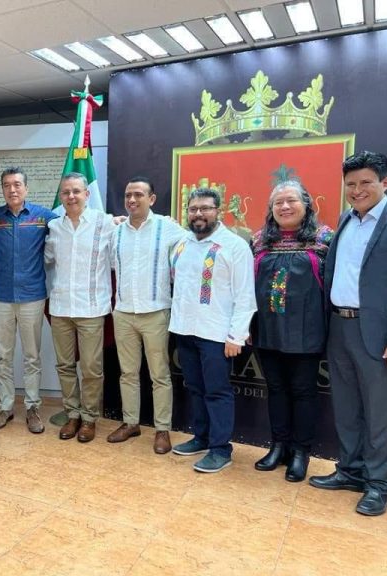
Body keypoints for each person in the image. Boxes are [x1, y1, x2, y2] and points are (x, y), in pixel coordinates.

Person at [309, 151, 387, 516]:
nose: (357, 190)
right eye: (350, 184)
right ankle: (350, 471)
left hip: (379, 334)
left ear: (385, 183)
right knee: (347, 408)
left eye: (366, 182)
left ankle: (378, 484)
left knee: (380, 414)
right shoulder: (346, 219)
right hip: (340, 327)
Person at [251, 180, 333, 482]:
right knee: (275, 390)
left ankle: (301, 452)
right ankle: (279, 446)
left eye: (291, 201)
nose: (285, 207)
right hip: (268, 330)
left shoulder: (324, 239)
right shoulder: (259, 240)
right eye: (278, 202)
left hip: (306, 332)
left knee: (303, 392)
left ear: (306, 205)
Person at [169, 188, 256, 473]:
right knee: (195, 388)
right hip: (185, 329)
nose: (199, 214)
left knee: (217, 391)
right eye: (193, 209)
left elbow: (245, 295)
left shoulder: (234, 246)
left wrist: (236, 336)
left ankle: (220, 449)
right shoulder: (182, 244)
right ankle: (202, 437)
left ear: (218, 211)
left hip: (216, 334)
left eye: (205, 208)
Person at [108, 177, 186, 453]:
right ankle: (130, 423)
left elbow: (192, 247)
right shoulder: (116, 232)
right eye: (128, 195)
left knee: (159, 375)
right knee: (127, 373)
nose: (132, 200)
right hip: (123, 313)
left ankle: (162, 429)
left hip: (155, 313)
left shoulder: (167, 227)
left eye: (138, 194)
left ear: (151, 199)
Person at [0, 168, 58, 434]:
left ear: (26, 187)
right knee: (4, 356)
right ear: (2, 189)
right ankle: (5, 407)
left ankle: (32, 407)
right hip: (2, 296)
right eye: (6, 185)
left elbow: (74, 220)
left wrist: (111, 220)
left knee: (32, 356)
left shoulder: (44, 217)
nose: (12, 189)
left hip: (32, 296)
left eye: (16, 184)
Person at [45, 172, 115, 443]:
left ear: (87, 194)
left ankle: (89, 418)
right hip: (61, 307)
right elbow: (46, 259)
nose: (71, 196)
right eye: (66, 192)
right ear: (60, 196)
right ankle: (72, 414)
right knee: (64, 365)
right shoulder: (54, 227)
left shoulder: (105, 223)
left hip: (91, 309)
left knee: (91, 369)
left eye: (76, 191)